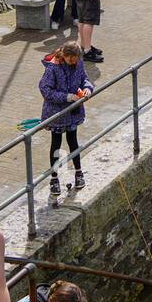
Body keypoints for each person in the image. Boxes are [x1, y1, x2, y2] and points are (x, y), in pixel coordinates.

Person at [39, 43, 93, 198]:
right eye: (72, 60)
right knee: (56, 144)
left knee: (73, 141)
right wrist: (67, 97)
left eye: (76, 60)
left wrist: (88, 89)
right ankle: (54, 179)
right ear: (65, 56)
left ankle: (78, 172)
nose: (74, 63)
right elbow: (45, 90)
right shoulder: (52, 68)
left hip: (73, 112)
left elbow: (84, 79)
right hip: (57, 113)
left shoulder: (78, 63)